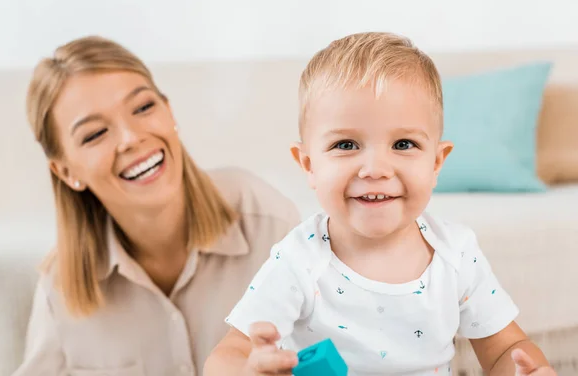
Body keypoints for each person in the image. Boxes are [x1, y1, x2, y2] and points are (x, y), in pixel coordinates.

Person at [204, 32, 556, 376]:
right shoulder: (299, 259)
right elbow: (228, 355)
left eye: (403, 144)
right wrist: (248, 367)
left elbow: (505, 349)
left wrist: (528, 369)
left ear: (436, 162)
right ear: (309, 164)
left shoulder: (457, 253)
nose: (375, 170)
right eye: (346, 144)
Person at [12, 36, 300, 376]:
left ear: (169, 111)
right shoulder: (60, 291)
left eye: (143, 108)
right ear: (66, 171)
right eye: (94, 134)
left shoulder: (266, 221)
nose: (131, 138)